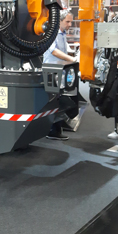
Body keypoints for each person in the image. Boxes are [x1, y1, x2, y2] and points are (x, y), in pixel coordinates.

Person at [43, 9, 76, 140]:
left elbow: (63, 49)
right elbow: (54, 51)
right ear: (59, 21)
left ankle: (56, 129)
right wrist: (71, 59)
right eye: (67, 22)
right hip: (51, 71)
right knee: (52, 101)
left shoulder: (63, 33)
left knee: (58, 99)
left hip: (59, 71)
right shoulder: (52, 33)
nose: (70, 25)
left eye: (71, 22)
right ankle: (52, 130)